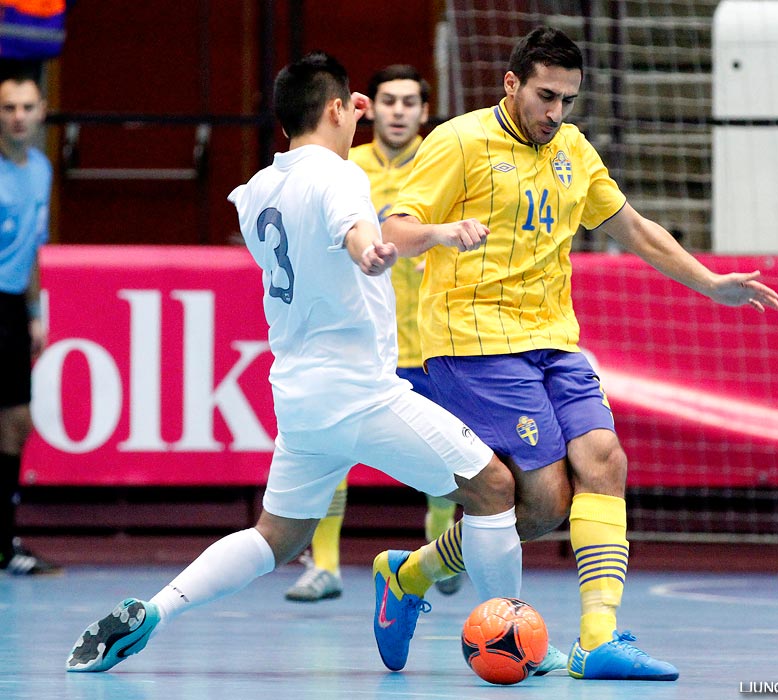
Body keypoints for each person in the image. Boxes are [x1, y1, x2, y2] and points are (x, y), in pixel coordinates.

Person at [65, 50, 524, 673]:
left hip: (300, 396)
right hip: (361, 391)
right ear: (338, 108)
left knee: (274, 537)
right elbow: (354, 227)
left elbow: (315, 214)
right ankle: (513, 634)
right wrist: (372, 251)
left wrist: (344, 140)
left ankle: (155, 611)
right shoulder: (339, 177)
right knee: (493, 486)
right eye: (351, 106)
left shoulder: (259, 189)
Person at [376, 27, 778, 682]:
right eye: (545, 96)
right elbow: (393, 228)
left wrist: (710, 282)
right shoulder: (459, 141)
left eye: (567, 99)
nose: (555, 113)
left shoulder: (572, 149)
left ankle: (597, 639)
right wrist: (445, 231)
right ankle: (411, 572)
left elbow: (635, 229)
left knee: (604, 459)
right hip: (473, 343)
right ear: (511, 84)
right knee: (541, 501)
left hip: (554, 341)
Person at [284, 64, 461, 603]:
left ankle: (437, 555)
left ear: (425, 111)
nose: (399, 111)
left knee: (446, 463)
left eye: (410, 102)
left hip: (433, 341)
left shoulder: (444, 163)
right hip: (363, 345)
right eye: (389, 101)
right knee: (334, 460)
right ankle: (327, 565)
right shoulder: (344, 165)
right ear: (369, 107)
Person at [0, 63, 61, 576]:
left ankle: (5, 543)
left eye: (26, 107)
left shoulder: (40, 168)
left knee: (16, 425)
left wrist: (36, 313)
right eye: (8, 108)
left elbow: (34, 248)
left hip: (14, 307)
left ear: (40, 112)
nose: (18, 117)